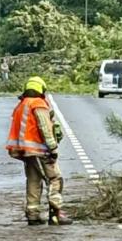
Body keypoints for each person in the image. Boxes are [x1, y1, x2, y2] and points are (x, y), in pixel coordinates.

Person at [6, 76, 73, 226]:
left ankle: (33, 214)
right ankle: (56, 215)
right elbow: (45, 128)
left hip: (26, 151)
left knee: (33, 181)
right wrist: (53, 148)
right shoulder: (38, 104)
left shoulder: (21, 105)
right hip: (40, 151)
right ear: (41, 89)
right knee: (55, 179)